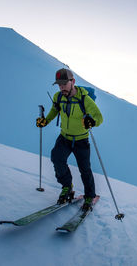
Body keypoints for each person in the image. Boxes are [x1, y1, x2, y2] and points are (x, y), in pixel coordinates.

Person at [36, 68, 103, 211]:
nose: (61, 87)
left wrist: (92, 121)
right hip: (64, 137)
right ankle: (67, 187)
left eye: (64, 84)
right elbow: (55, 111)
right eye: (59, 85)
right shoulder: (58, 97)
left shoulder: (85, 99)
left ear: (72, 82)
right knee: (57, 158)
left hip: (81, 140)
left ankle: (89, 196)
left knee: (85, 169)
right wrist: (45, 121)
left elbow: (99, 117)